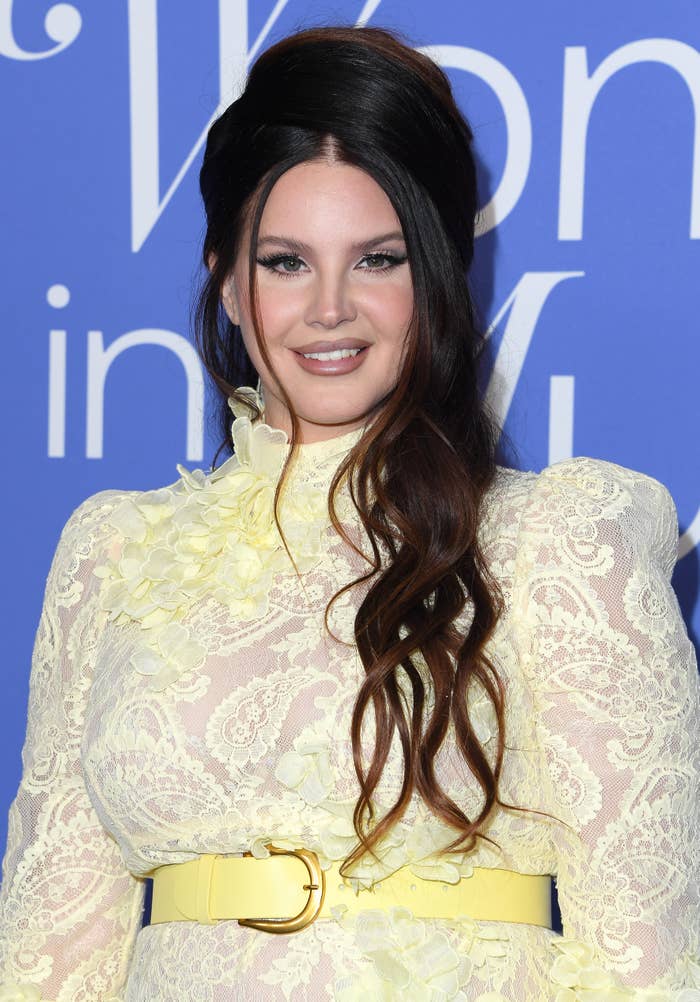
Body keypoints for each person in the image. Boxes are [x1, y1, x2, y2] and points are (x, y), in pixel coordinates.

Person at [0, 23, 698, 1002]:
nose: (330, 307)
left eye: (377, 260)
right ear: (228, 284)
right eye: (286, 262)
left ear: (440, 280)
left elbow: (646, 963)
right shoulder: (112, 550)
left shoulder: (562, 545)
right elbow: (49, 952)